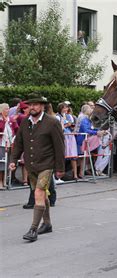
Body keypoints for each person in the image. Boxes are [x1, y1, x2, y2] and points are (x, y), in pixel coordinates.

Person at [9, 94, 65, 242]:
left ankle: (33, 229)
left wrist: (60, 168)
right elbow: (19, 143)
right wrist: (13, 160)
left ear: (42, 106)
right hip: (31, 165)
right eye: (30, 105)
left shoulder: (52, 122)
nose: (32, 107)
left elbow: (60, 146)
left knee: (39, 193)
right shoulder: (25, 122)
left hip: (47, 165)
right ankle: (47, 224)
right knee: (41, 195)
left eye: (35, 105)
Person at [56, 102, 79, 180]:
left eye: (67, 107)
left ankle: (75, 175)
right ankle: (59, 175)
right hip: (63, 136)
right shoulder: (57, 116)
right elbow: (58, 128)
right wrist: (67, 125)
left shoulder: (69, 116)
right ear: (61, 109)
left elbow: (73, 126)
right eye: (64, 108)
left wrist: (72, 127)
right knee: (62, 155)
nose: (66, 109)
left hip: (70, 136)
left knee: (73, 155)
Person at [0, 103, 19, 189]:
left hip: (10, 143)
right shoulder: (1, 119)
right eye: (6, 109)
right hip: (2, 144)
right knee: (1, 164)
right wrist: (4, 121)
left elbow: (17, 129)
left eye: (8, 109)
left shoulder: (11, 119)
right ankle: (0, 182)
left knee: (8, 163)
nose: (8, 110)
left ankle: (5, 181)